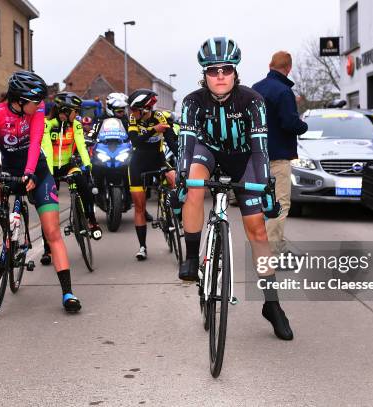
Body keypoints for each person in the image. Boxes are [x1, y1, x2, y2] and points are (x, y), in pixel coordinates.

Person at [174, 37, 293, 340]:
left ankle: (272, 304)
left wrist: (266, 186)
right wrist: (182, 183)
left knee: (258, 231)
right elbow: (186, 149)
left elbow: (260, 149)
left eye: (226, 69)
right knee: (193, 182)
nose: (220, 76)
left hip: (244, 160)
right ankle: (190, 257)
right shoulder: (191, 102)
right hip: (208, 155)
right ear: (204, 75)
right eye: (213, 71)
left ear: (235, 71)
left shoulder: (252, 100)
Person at [0, 71, 82, 313]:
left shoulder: (37, 113)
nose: (39, 106)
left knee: (52, 231)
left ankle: (68, 292)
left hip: (38, 172)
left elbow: (35, 144)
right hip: (9, 172)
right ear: (20, 99)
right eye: (35, 102)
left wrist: (30, 173)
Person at [252, 51, 308, 252]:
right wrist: (303, 125)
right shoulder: (284, 92)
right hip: (277, 157)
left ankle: (271, 245)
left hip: (256, 157)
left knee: (260, 204)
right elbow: (289, 123)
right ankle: (272, 250)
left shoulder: (255, 89)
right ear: (289, 68)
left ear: (270, 65)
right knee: (279, 203)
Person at [40, 91, 102, 266]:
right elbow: (47, 147)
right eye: (75, 111)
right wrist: (50, 175)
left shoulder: (75, 125)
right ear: (65, 110)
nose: (78, 114)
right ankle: (47, 250)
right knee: (48, 208)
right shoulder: (47, 124)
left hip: (67, 163)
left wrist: (87, 164)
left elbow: (81, 145)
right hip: (50, 167)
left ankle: (91, 220)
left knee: (84, 186)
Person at [127, 89, 177, 260]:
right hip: (138, 164)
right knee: (139, 207)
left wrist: (182, 157)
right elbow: (135, 141)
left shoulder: (159, 117)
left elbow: (171, 140)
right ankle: (142, 247)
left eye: (134, 109)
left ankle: (175, 213)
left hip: (158, 159)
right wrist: (153, 130)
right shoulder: (133, 119)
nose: (131, 113)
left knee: (174, 179)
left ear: (146, 109)